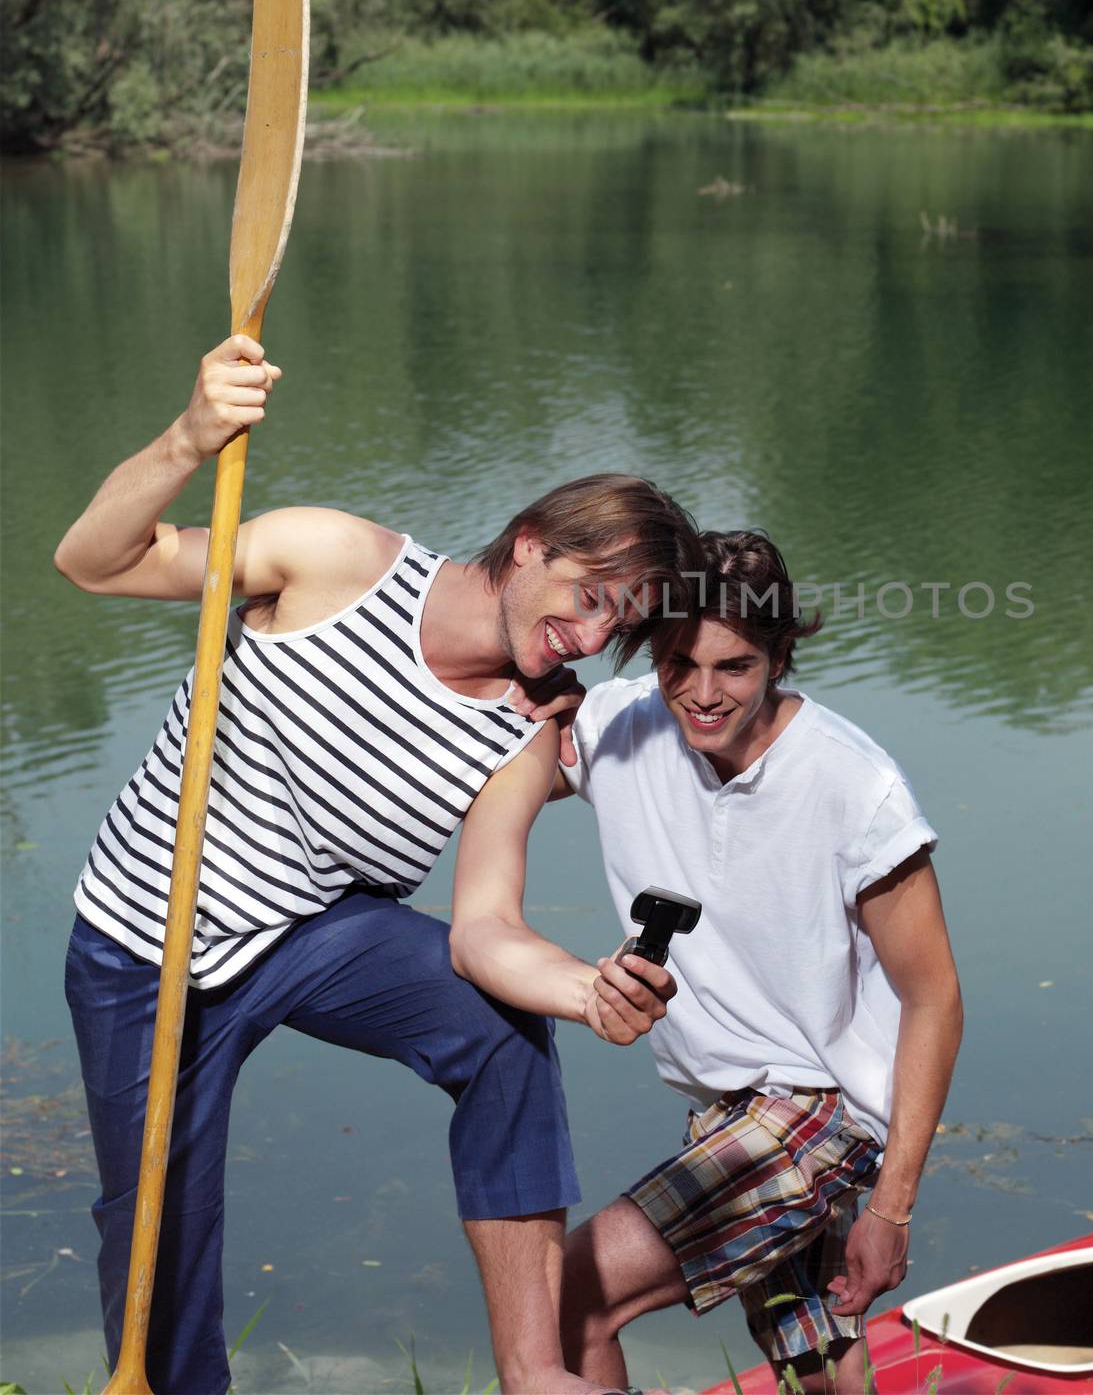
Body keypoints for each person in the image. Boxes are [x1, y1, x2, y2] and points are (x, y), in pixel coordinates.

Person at [55, 334, 695, 1395]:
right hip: (144, 938)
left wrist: (587, 988)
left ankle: (535, 1370)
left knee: (498, 1027)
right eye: (587, 595)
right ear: (531, 542)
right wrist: (189, 436)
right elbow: (93, 561)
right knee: (155, 1229)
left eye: (617, 625)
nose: (588, 635)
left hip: (310, 932)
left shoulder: (525, 729)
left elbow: (484, 927)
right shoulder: (333, 560)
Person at [463, 530, 960, 1392]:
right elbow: (485, 769)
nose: (700, 694)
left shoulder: (853, 786)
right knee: (823, 1354)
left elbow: (934, 999)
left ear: (779, 654)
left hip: (821, 1108)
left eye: (732, 667)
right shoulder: (621, 725)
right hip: (724, 1106)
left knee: (573, 1294)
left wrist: (893, 1206)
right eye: (677, 664)